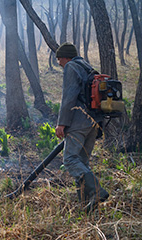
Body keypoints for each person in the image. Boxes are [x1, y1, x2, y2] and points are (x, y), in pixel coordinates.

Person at [55, 42, 109, 213]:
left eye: (59, 59)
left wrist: (62, 123)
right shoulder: (86, 66)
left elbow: (69, 97)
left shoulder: (71, 67)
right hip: (93, 123)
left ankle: (97, 190)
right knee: (82, 163)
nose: (58, 63)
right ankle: (87, 207)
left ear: (65, 57)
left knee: (70, 160)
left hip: (78, 122)